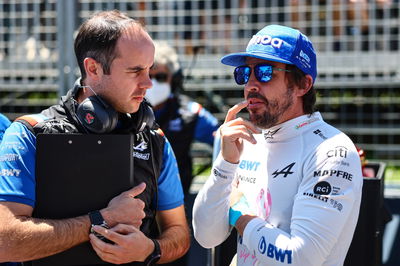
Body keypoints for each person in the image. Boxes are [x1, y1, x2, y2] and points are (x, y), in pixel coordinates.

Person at [0, 10, 190, 265]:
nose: (148, 84)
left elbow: (179, 235)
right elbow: (5, 243)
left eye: (149, 70)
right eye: (135, 71)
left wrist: (151, 249)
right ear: (93, 68)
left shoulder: (154, 139)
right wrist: (101, 219)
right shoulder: (29, 134)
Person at [193, 24, 363, 266]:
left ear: (303, 85)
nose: (250, 85)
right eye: (244, 73)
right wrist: (225, 164)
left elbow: (299, 258)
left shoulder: (331, 151)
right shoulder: (247, 143)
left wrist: (239, 217)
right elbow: (206, 237)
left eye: (264, 72)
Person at [147, 40, 219, 196]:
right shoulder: (123, 109)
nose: (152, 83)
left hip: (177, 199)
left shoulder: (191, 113)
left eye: (160, 77)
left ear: (174, 79)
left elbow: (222, 140)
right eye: (147, 75)